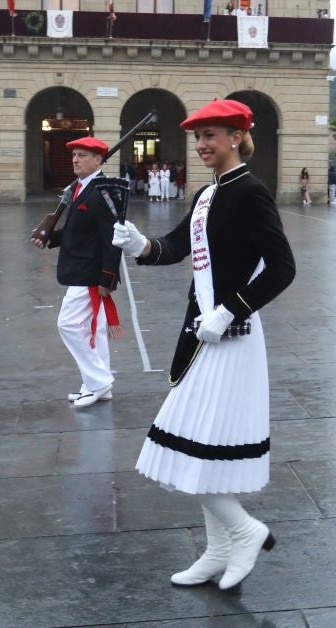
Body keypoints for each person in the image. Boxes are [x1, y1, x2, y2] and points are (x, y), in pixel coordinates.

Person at [112, 99, 295, 591]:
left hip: (230, 335)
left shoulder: (251, 192)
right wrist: (139, 245)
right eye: (197, 137)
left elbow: (283, 269)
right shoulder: (207, 194)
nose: (201, 144)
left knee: (184, 444)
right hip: (201, 335)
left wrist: (231, 309)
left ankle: (246, 532)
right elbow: (174, 247)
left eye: (211, 134)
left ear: (237, 136)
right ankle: (218, 550)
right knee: (203, 451)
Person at [31, 136, 122, 408]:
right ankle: (96, 385)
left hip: (90, 271)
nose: (75, 159)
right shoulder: (82, 187)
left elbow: (111, 237)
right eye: (74, 155)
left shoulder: (103, 191)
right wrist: (51, 237)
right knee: (95, 329)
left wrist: (108, 276)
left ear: (98, 160)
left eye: (82, 155)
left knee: (68, 325)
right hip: (81, 268)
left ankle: (99, 380)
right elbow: (78, 231)